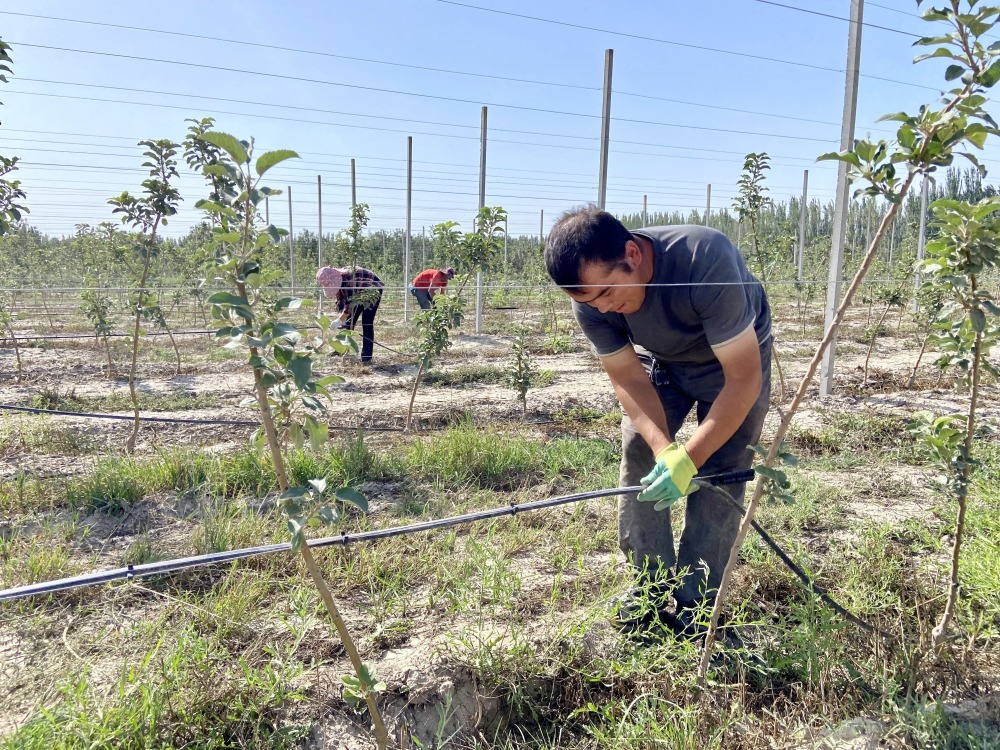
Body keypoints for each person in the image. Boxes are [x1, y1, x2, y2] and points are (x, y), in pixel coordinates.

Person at [543, 207, 771, 639]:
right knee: (639, 449)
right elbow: (628, 377)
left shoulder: (705, 260)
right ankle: (648, 587)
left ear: (632, 253)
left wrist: (692, 457)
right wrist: (667, 450)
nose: (604, 308)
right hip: (664, 360)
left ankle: (698, 604)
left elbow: (743, 380)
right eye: (590, 302)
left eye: (608, 293)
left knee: (722, 467)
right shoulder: (592, 301)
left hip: (736, 362)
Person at [316, 265, 384, 364]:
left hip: (373, 289)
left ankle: (367, 357)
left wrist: (340, 320)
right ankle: (341, 349)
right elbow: (341, 301)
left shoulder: (349, 281)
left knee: (367, 322)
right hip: (357, 292)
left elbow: (350, 305)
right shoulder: (339, 283)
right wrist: (341, 319)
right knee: (348, 322)